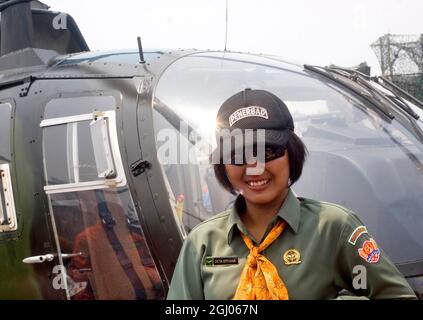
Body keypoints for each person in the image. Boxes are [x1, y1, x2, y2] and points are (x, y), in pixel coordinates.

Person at [167, 88, 417, 300]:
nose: (255, 167)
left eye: (269, 152)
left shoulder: (334, 228)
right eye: (239, 155)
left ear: (292, 154)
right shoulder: (202, 243)